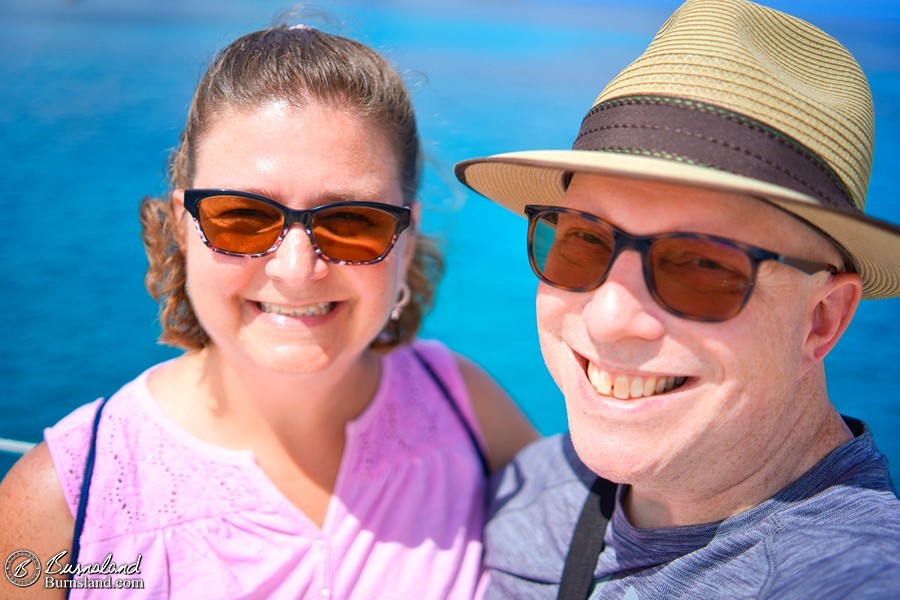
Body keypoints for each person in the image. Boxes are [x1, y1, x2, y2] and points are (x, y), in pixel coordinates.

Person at [0, 24, 537, 599]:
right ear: (184, 227)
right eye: (243, 217)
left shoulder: (464, 409)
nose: (295, 269)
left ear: (406, 239)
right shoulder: (62, 506)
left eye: (355, 221)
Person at [455, 0, 900, 597]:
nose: (612, 318)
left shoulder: (849, 575)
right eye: (584, 240)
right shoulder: (531, 495)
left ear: (820, 321)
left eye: (700, 265)